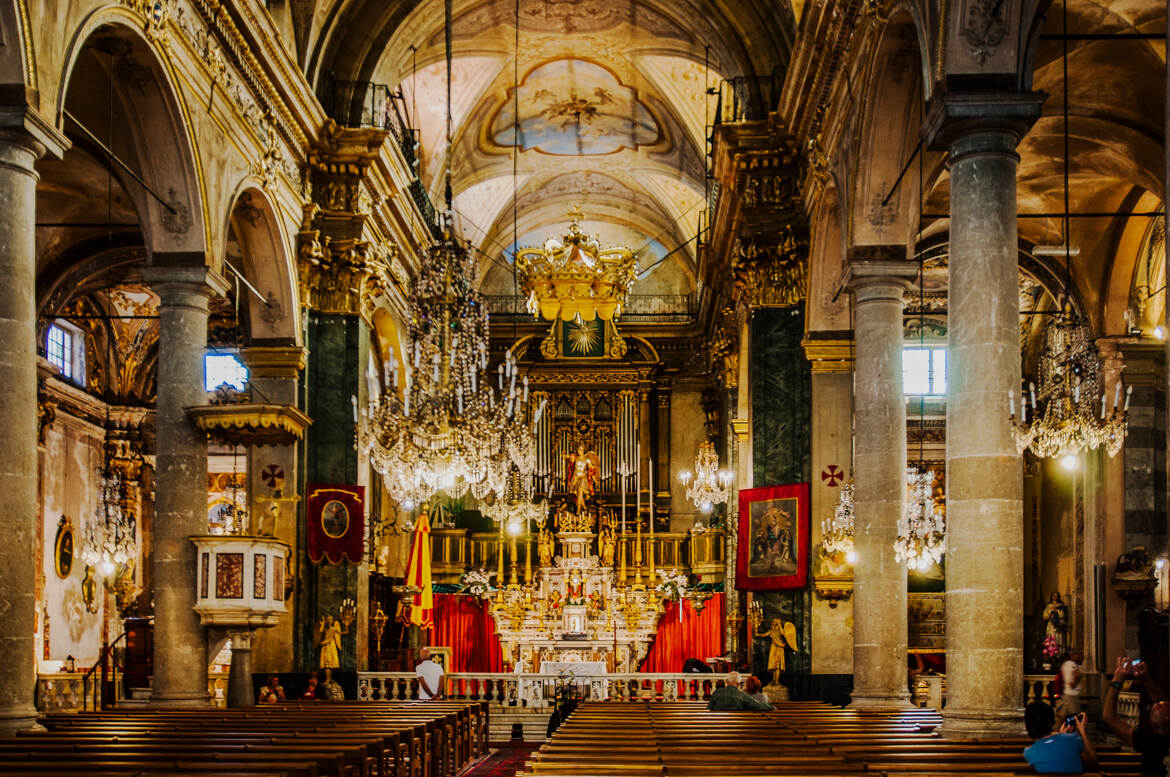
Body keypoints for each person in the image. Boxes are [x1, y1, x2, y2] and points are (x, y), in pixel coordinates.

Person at [1103, 656, 1170, 774]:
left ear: (1153, 724)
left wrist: (1117, 679)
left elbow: (1109, 718)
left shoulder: (1148, 743)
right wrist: (1145, 678)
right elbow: (1165, 708)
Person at [1023, 702, 1097, 773]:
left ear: (1028, 725)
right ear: (1051, 720)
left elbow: (1051, 753)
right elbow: (1092, 764)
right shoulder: (1073, 739)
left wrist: (1060, 736)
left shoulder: (1029, 752)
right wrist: (1082, 732)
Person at [707, 672, 774, 711]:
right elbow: (758, 706)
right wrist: (771, 707)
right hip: (735, 728)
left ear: (726, 681)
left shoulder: (716, 693)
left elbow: (709, 709)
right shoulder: (742, 695)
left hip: (717, 726)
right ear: (739, 683)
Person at [1057, 649, 1083, 718]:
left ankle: (1057, 726)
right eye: (1078, 655)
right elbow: (1076, 675)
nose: (1080, 657)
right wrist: (1074, 683)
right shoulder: (1073, 665)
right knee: (1075, 714)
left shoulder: (1065, 664)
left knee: (1063, 714)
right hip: (1073, 692)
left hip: (1066, 691)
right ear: (1073, 656)